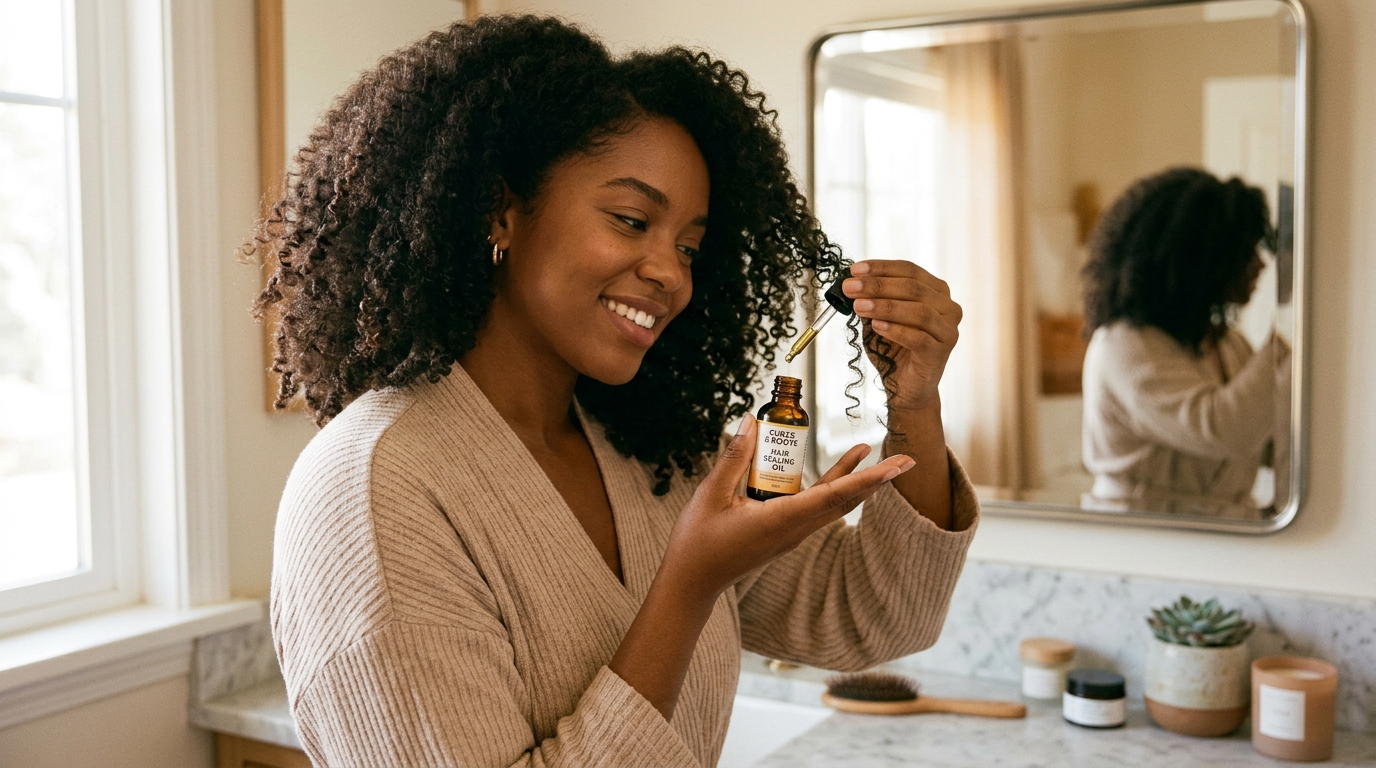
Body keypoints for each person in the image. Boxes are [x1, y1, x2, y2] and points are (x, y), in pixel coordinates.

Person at [253, 16, 977, 768]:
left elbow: (875, 618)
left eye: (689, 247)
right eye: (632, 220)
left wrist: (914, 404)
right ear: (501, 209)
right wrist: (689, 586)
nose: (670, 273)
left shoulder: (652, 455)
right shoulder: (375, 488)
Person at [1080, 167, 1284, 515]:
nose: (1259, 264)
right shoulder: (1123, 345)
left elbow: (1264, 437)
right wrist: (1292, 326)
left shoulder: (1230, 344)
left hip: (1227, 543)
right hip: (1141, 542)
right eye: (1243, 251)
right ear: (1196, 258)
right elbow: (1224, 429)